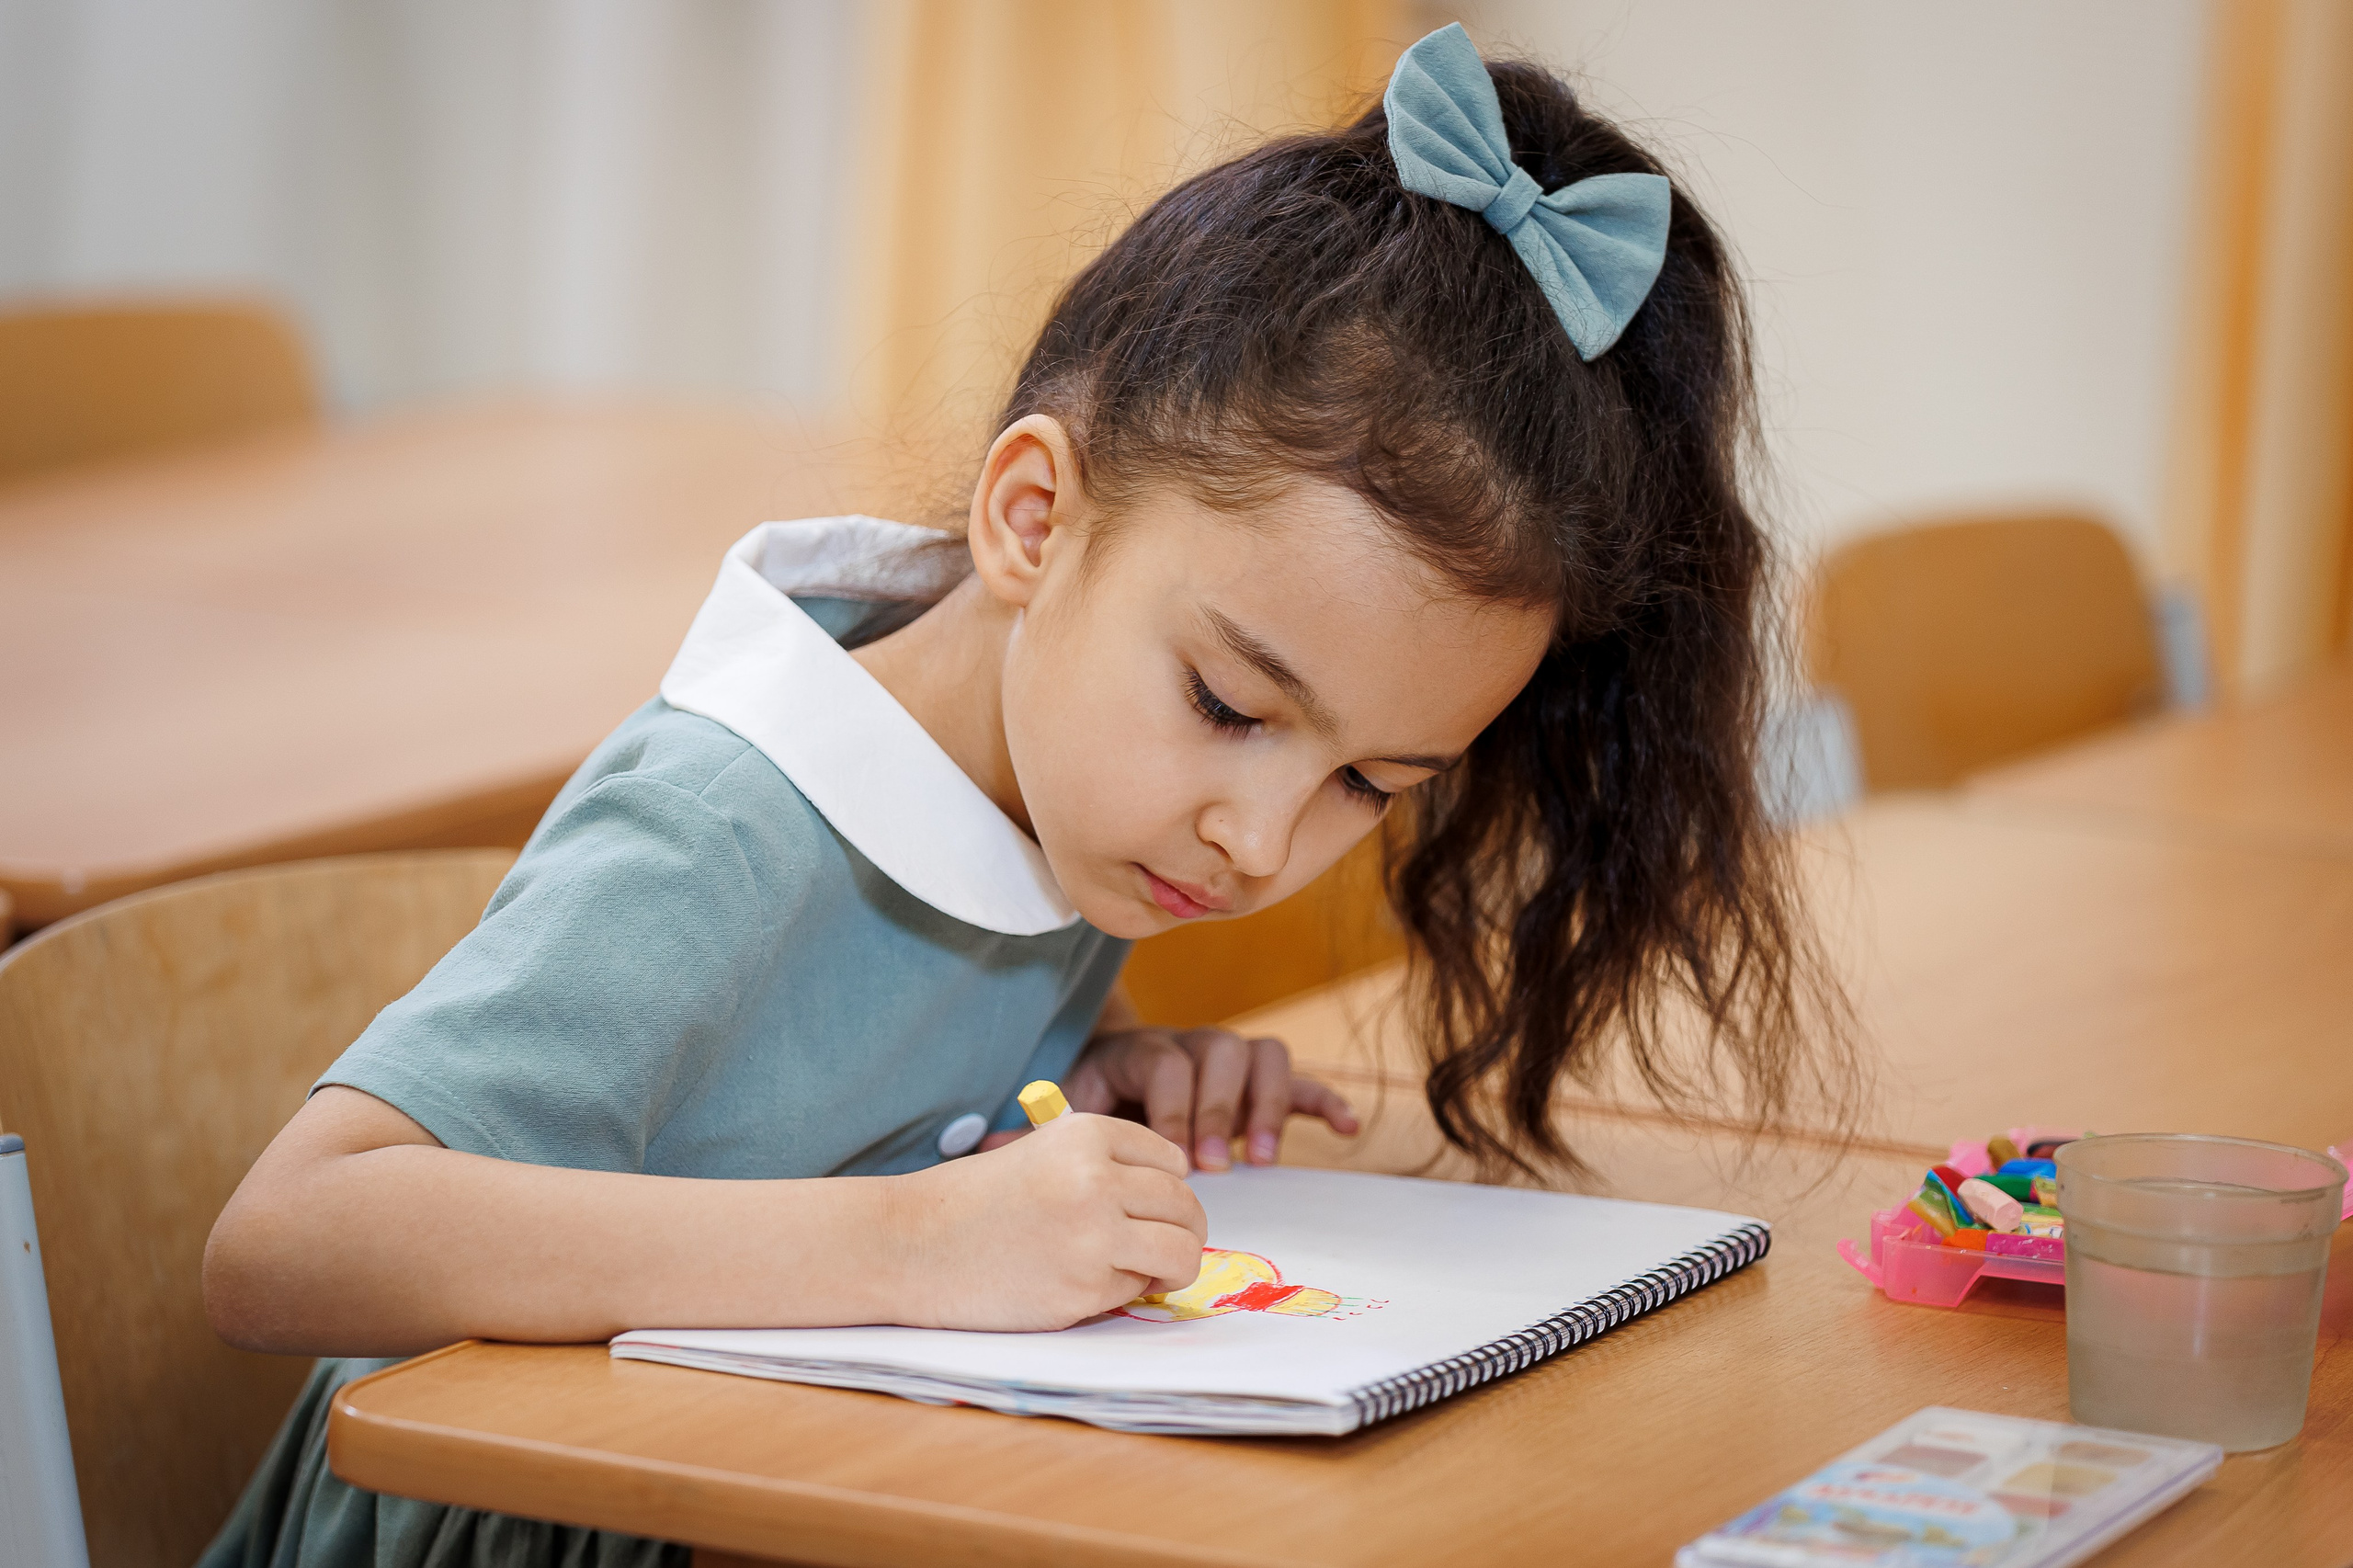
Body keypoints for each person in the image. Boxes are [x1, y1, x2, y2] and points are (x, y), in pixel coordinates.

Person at [199, 25, 1854, 1567]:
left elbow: (860, 1071)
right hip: (543, 1515)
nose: (1263, 838)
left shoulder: (1062, 798)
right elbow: (287, 1237)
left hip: (797, 1471)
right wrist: (905, 1245)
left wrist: (1103, 1065)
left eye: (1371, 780)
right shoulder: (722, 830)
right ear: (1034, 519)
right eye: (1227, 703)